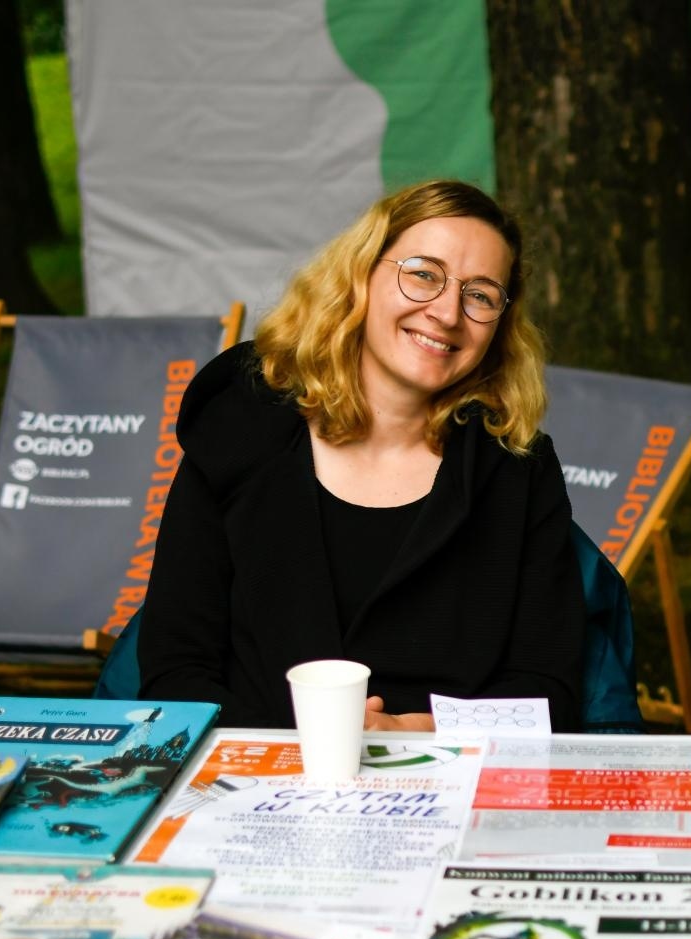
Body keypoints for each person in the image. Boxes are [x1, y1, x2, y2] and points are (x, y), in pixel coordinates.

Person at [138, 180, 584, 732]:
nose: (447, 313)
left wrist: (408, 733)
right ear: (362, 275)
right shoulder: (240, 425)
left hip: (445, 780)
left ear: (501, 325)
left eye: (481, 295)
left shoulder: (517, 467)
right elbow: (175, 669)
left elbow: (548, 692)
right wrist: (293, 755)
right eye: (423, 274)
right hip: (252, 784)